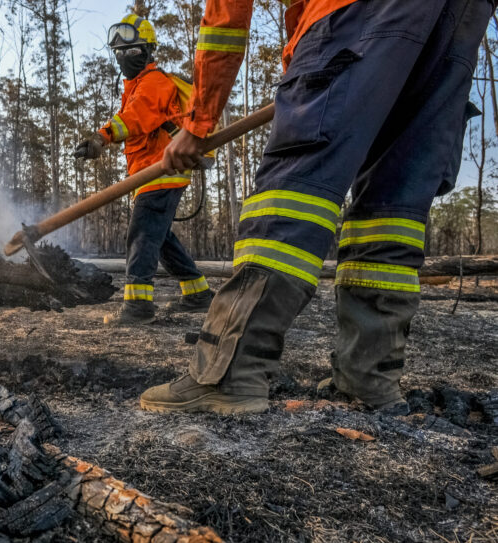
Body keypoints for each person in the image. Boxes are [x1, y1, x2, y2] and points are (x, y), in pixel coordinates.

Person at [140, 0, 495, 414]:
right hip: (461, 20)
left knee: (294, 188)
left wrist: (199, 118)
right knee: (392, 205)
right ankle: (370, 377)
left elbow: (225, 16)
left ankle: (227, 374)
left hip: (358, 14)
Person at [73, 15, 214, 326]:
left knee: (141, 235)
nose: (125, 58)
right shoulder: (136, 86)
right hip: (150, 173)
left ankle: (138, 307)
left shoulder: (153, 83)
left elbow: (136, 117)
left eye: (133, 51)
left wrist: (102, 136)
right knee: (159, 237)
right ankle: (199, 294)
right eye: (120, 53)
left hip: (162, 170)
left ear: (149, 51)